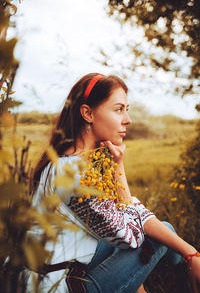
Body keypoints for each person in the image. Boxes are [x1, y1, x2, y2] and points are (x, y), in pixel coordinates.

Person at [32, 73, 200, 293]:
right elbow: (129, 236)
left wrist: (190, 253)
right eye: (119, 109)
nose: (128, 119)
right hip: (59, 287)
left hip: (70, 268)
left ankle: (188, 262)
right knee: (161, 236)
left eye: (126, 109)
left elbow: (131, 210)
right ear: (88, 113)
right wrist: (119, 169)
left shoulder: (73, 161)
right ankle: (187, 266)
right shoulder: (75, 175)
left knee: (157, 233)